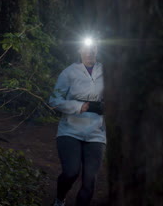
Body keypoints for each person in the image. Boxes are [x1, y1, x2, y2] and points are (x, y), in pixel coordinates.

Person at [49, 38, 106, 206]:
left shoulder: (106, 71)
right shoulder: (69, 72)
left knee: (90, 180)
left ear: (97, 49)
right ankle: (59, 200)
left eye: (93, 48)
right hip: (70, 131)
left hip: (97, 132)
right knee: (71, 172)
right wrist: (81, 106)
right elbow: (54, 100)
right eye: (86, 49)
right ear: (79, 51)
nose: (89, 52)